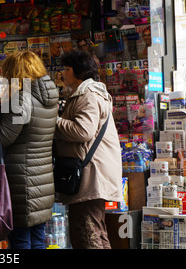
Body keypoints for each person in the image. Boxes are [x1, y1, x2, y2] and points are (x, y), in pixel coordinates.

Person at [0, 50, 59, 249]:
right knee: (37, 239)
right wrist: (3, 104)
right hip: (42, 179)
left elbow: (3, 137)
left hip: (22, 182)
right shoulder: (47, 97)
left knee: (20, 241)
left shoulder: (21, 98)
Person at [54, 50, 122, 249]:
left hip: (91, 174)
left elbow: (83, 131)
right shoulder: (90, 93)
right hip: (93, 173)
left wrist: (53, 121)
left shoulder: (88, 95)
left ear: (79, 72)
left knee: (86, 233)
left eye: (67, 69)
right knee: (95, 232)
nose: (62, 74)